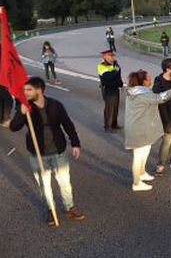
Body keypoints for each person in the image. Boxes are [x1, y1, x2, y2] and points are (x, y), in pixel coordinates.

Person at [9, 77, 85, 226]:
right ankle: (51, 210)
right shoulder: (25, 107)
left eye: (29, 90)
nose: (25, 93)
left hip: (58, 151)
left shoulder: (55, 105)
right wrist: (21, 113)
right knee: (44, 184)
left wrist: (75, 143)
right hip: (38, 155)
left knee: (64, 182)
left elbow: (67, 124)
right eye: (24, 90)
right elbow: (14, 127)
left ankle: (69, 207)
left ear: (39, 90)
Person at [125, 70, 171, 191]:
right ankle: (136, 183)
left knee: (145, 152)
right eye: (149, 78)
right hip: (139, 130)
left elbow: (153, 93)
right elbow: (160, 98)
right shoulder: (142, 94)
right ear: (144, 81)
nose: (151, 80)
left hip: (142, 128)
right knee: (138, 156)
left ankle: (142, 173)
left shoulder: (139, 90)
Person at [97, 50, 123, 133]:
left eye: (113, 56)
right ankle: (108, 126)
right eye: (110, 56)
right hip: (108, 90)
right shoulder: (101, 66)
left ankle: (114, 125)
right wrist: (116, 70)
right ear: (104, 57)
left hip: (115, 88)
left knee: (115, 108)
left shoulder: (114, 65)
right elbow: (108, 77)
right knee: (109, 109)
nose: (112, 58)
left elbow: (118, 75)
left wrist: (120, 84)